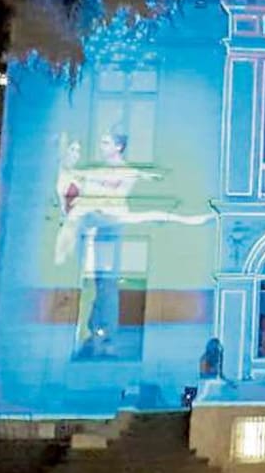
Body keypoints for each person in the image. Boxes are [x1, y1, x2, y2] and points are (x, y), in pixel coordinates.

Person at [53, 130, 214, 357]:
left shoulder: (122, 173)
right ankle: (95, 334)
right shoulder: (91, 173)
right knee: (97, 283)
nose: (101, 146)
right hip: (93, 228)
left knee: (106, 283)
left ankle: (105, 337)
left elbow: (115, 200)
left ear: (118, 146)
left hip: (108, 226)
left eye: (106, 141)